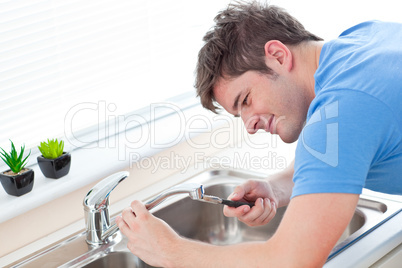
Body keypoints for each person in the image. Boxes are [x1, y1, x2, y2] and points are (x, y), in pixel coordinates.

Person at [116, 1, 402, 267]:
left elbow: (290, 261)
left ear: (278, 56)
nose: (250, 126)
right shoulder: (363, 39)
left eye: (246, 100)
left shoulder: (340, 113)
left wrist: (169, 250)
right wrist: (277, 188)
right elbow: (339, 150)